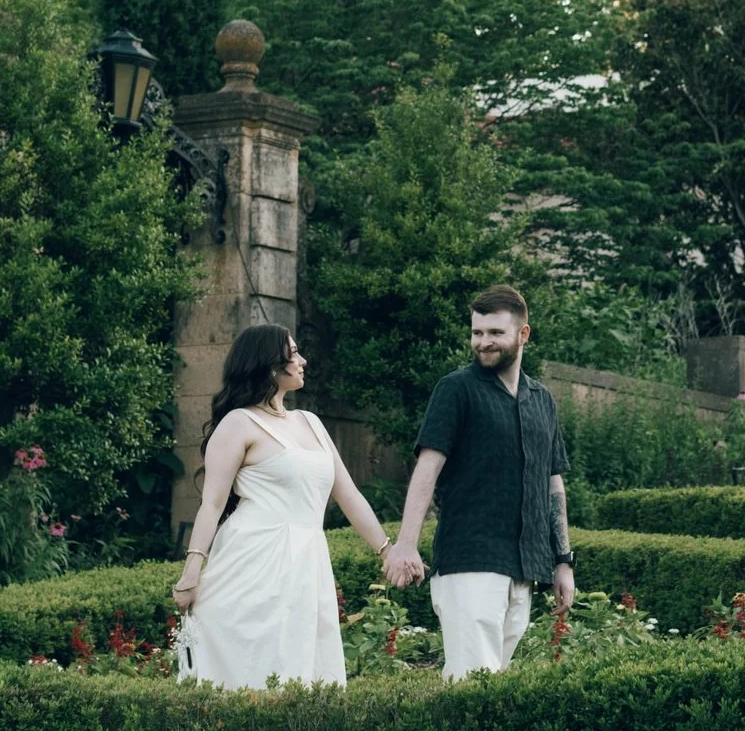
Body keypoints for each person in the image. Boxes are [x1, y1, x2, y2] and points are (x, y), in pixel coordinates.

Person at [172, 322, 420, 690]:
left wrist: (387, 550)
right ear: (269, 365)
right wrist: (192, 571)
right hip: (253, 558)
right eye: (293, 354)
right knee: (250, 666)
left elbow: (348, 494)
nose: (302, 361)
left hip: (306, 559)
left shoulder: (312, 423)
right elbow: (211, 504)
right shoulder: (238, 424)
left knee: (302, 666)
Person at [392, 284, 575, 679]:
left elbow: (552, 486)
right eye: (477, 333)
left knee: (489, 689)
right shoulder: (456, 390)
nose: (484, 342)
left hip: (525, 567)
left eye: (495, 333)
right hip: (469, 562)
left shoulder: (541, 399)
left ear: (523, 335)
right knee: (473, 688)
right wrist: (406, 543)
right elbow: (427, 469)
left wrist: (562, 561)